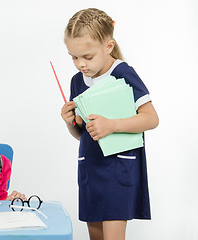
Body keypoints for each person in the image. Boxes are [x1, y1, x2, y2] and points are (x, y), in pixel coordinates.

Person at [61, 8, 159, 240]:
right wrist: (69, 123)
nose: (80, 64)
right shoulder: (77, 81)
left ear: (108, 47)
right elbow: (83, 134)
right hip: (90, 168)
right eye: (74, 57)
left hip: (117, 168)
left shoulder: (123, 74)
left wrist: (112, 125)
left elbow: (151, 118)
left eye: (87, 57)